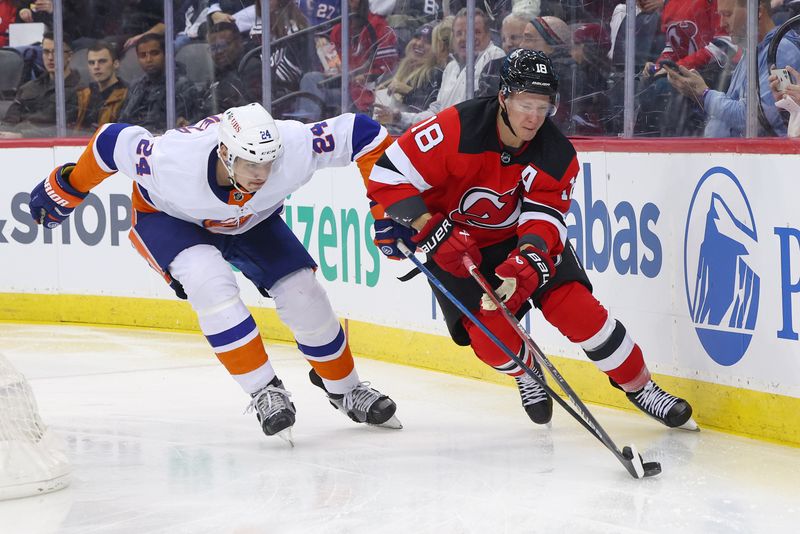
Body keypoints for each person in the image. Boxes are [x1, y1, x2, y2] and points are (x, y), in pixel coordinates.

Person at [26, 103, 401, 443]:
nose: (263, 174)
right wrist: (69, 187)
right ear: (224, 152)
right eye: (251, 164)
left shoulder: (294, 144)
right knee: (211, 284)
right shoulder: (171, 160)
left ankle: (345, 389)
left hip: (252, 221)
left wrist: (388, 212)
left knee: (305, 294)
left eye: (269, 163)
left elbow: (363, 133)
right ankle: (263, 390)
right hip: (171, 219)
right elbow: (110, 142)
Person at [367, 48, 696, 431]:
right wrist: (427, 226)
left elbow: (545, 218)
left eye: (543, 107)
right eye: (525, 104)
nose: (534, 117)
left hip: (517, 241)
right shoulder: (456, 127)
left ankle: (641, 387)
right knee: (493, 341)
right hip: (454, 246)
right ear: (504, 97)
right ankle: (526, 371)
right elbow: (387, 176)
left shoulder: (556, 153)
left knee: (578, 310)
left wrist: (528, 257)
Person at [666, 0, 800, 137]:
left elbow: (756, 119)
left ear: (757, 12)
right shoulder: (751, 52)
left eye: (728, 14)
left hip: (755, 156)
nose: (722, 23)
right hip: (726, 154)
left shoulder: (780, 51)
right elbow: (730, 112)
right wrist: (696, 94)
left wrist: (704, 94)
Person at [388, 7, 504, 130]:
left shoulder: (494, 57)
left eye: (475, 32)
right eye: (459, 33)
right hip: (449, 140)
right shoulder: (451, 67)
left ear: (488, 35)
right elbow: (436, 113)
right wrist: (400, 118)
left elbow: (483, 114)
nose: (465, 38)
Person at [373, 20, 451, 134]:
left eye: (427, 41)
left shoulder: (436, 74)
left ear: (436, 48)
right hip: (386, 131)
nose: (419, 43)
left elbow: (432, 111)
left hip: (411, 136)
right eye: (417, 37)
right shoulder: (395, 69)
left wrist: (408, 92)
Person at [0, 30, 81, 138]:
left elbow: (65, 129)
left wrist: (22, 136)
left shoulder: (80, 90)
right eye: (46, 52)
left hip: (48, 146)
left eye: (56, 52)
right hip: (15, 142)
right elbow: (9, 120)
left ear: (70, 56)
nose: (50, 58)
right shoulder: (29, 87)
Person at [117, 33, 199, 133]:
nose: (148, 60)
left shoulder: (181, 85)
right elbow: (123, 120)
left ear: (166, 54)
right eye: (143, 55)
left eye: (154, 53)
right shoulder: (136, 86)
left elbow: (180, 126)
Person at [74, 41, 129, 134]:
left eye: (102, 61)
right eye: (91, 63)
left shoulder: (128, 94)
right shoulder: (83, 94)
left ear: (115, 64)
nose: (96, 67)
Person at [476, 12, 529, 97]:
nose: (508, 44)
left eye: (514, 37)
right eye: (503, 39)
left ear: (529, 38)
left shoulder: (540, 69)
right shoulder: (493, 67)